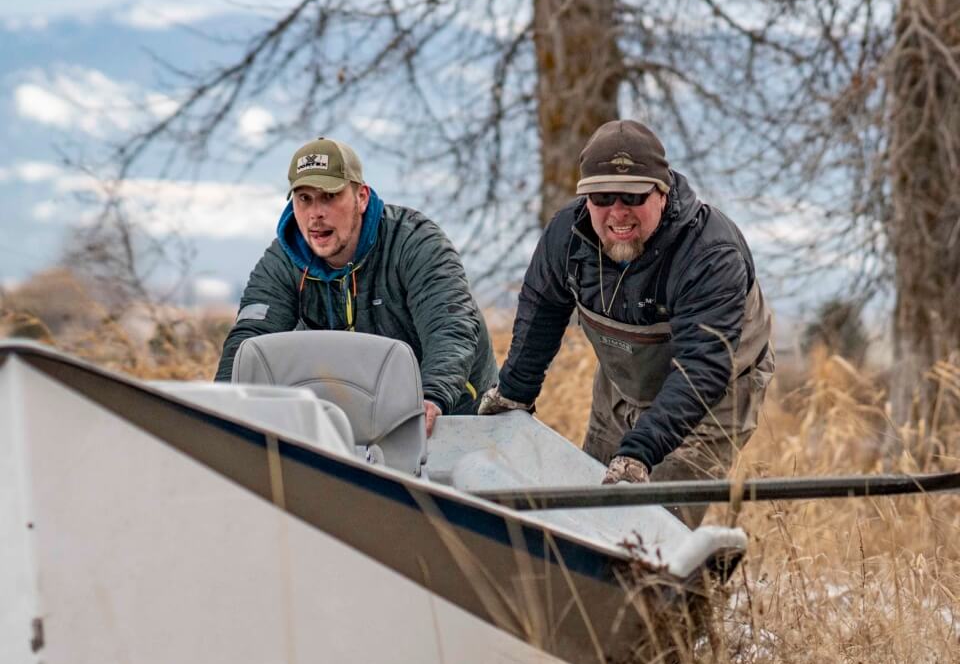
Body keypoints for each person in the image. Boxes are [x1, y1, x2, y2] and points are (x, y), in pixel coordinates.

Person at [479, 120, 773, 523]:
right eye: (601, 196)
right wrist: (514, 391)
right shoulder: (566, 235)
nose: (617, 212)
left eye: (632, 196)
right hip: (622, 383)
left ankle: (677, 582)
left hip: (712, 391)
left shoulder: (709, 253)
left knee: (657, 525)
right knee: (589, 510)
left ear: (662, 192)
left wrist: (639, 452)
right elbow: (542, 309)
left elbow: (702, 369)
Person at [216, 136, 498, 436]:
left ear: (361, 197)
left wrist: (433, 396)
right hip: (353, 424)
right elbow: (249, 343)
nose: (315, 213)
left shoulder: (415, 242)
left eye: (329, 196)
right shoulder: (284, 260)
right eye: (304, 199)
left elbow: (450, 325)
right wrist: (221, 409)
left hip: (456, 419)